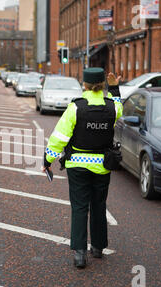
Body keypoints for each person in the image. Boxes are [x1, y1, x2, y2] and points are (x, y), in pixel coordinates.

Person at [42, 68, 123, 269]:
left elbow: (59, 138)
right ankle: (97, 248)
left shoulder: (76, 108)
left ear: (84, 85)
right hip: (102, 165)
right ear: (102, 86)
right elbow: (120, 105)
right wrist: (114, 88)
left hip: (77, 165)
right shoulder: (112, 107)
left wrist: (47, 160)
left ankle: (79, 254)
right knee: (98, 205)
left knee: (79, 207)